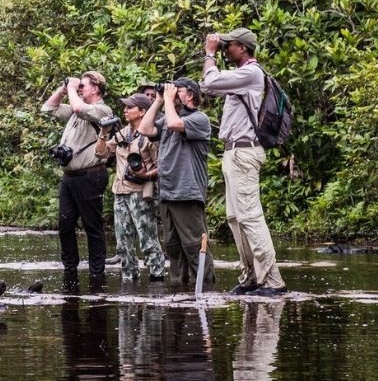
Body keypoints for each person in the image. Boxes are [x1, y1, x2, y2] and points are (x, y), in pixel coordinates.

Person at [202, 28, 287, 296]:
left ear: (243, 48)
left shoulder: (251, 72)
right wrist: (211, 60)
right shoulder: (240, 76)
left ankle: (272, 280)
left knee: (250, 216)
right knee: (235, 218)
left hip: (245, 152)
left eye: (230, 46)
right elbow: (207, 84)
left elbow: (211, 81)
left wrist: (210, 53)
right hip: (233, 152)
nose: (226, 50)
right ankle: (251, 276)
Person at [138, 78, 214, 289]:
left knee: (194, 246)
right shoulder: (170, 116)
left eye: (177, 90)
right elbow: (145, 129)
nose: (172, 93)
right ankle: (179, 291)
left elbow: (174, 124)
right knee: (172, 247)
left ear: (190, 95)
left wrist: (169, 101)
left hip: (187, 193)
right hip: (167, 193)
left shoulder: (200, 119)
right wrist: (159, 100)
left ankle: (205, 290)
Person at [41, 71, 114, 280]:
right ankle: (70, 269)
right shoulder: (75, 111)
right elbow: (47, 108)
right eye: (78, 86)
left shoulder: (102, 110)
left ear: (96, 88)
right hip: (70, 177)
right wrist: (64, 89)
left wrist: (72, 90)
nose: (79, 88)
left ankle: (96, 273)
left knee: (92, 225)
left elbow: (79, 108)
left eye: (83, 86)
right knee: (65, 225)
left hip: (90, 176)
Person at [95, 92, 165, 283]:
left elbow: (163, 166)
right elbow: (100, 154)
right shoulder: (122, 133)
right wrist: (103, 132)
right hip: (120, 192)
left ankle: (156, 278)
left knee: (147, 239)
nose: (125, 111)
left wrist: (145, 175)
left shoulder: (150, 135)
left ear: (142, 112)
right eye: (125, 107)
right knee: (123, 243)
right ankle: (129, 278)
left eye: (129, 107)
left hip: (141, 193)